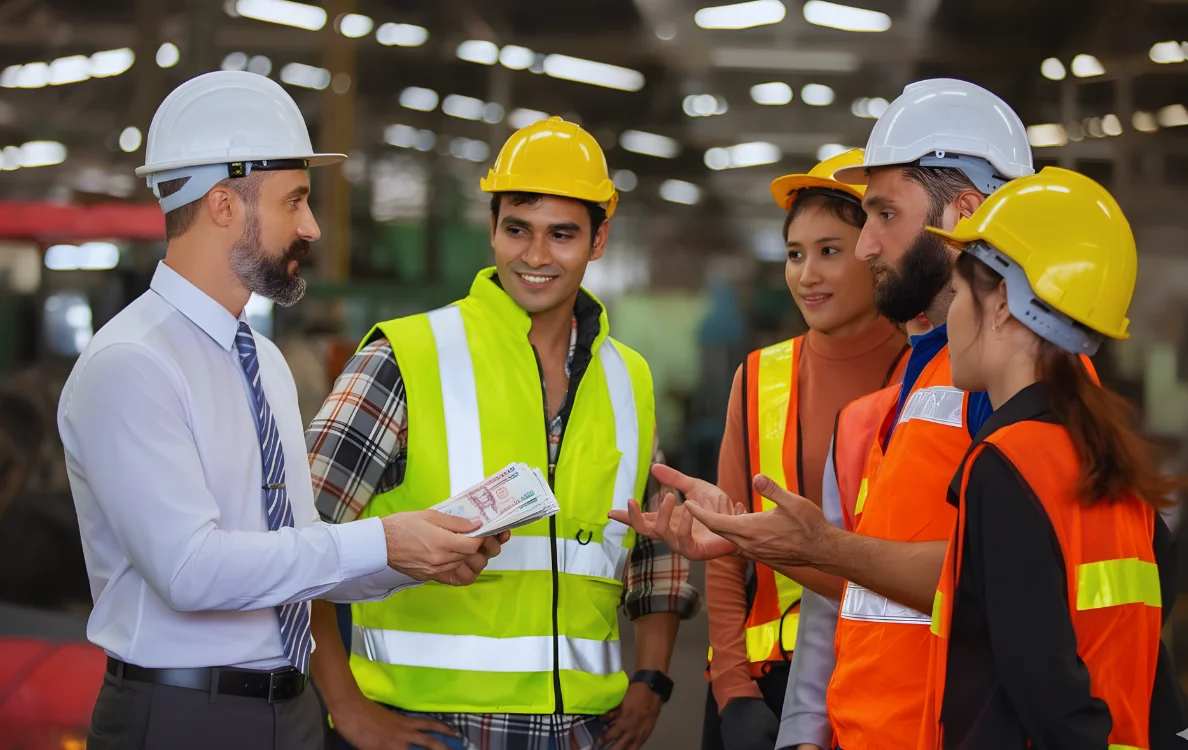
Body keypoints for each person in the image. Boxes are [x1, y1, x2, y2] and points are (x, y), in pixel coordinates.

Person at [58, 71, 504, 750]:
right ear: (221, 205)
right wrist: (383, 539)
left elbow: (292, 552)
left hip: (290, 710)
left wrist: (416, 554)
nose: (312, 226)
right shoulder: (132, 365)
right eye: (294, 201)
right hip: (181, 718)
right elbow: (191, 571)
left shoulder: (260, 360)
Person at [610, 78, 1043, 749]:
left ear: (964, 211)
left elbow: (992, 578)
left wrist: (816, 546)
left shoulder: (1014, 371)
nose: (867, 247)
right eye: (796, 252)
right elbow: (876, 583)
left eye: (883, 217)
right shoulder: (929, 368)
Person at [306, 116, 699, 750]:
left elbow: (655, 548)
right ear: (491, 230)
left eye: (562, 234)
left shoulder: (628, 377)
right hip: (431, 728)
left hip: (580, 730)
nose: (536, 256)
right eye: (517, 229)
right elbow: (297, 545)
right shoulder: (406, 356)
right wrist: (345, 707)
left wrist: (651, 677)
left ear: (599, 241)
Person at [921, 167, 1185, 749]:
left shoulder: (1007, 464)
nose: (950, 319)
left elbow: (1046, 698)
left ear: (1004, 308)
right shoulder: (1113, 463)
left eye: (960, 294)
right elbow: (1145, 671)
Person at [703, 150, 907, 750]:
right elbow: (726, 548)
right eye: (795, 254)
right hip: (765, 688)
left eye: (829, 251)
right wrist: (733, 690)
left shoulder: (927, 380)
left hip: (882, 678)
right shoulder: (760, 375)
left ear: (875, 250)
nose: (806, 274)